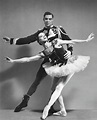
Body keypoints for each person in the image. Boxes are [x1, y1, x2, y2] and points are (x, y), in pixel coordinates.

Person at [5, 33, 94, 120]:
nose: (43, 36)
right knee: (53, 89)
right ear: (39, 41)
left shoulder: (56, 41)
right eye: (40, 36)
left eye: (44, 35)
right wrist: (13, 61)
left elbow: (72, 41)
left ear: (46, 37)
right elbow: (28, 59)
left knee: (59, 88)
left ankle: (47, 108)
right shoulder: (43, 53)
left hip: (69, 65)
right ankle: (63, 111)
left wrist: (86, 40)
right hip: (58, 68)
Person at [3, 11, 73, 113]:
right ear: (43, 20)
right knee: (37, 79)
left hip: (59, 60)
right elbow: (27, 39)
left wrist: (70, 52)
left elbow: (69, 40)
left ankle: (51, 106)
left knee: (55, 86)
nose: (48, 21)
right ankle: (25, 100)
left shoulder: (59, 29)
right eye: (46, 19)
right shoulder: (40, 33)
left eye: (49, 19)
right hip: (47, 59)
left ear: (52, 19)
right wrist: (11, 40)